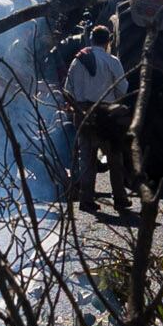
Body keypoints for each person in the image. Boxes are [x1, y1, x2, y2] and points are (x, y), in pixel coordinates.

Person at [62, 29, 129, 206]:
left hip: (83, 112)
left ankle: (86, 199)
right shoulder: (112, 61)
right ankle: (120, 197)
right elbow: (123, 88)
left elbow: (67, 90)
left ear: (90, 40)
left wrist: (77, 107)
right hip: (106, 114)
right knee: (114, 156)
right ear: (108, 41)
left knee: (87, 157)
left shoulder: (77, 60)